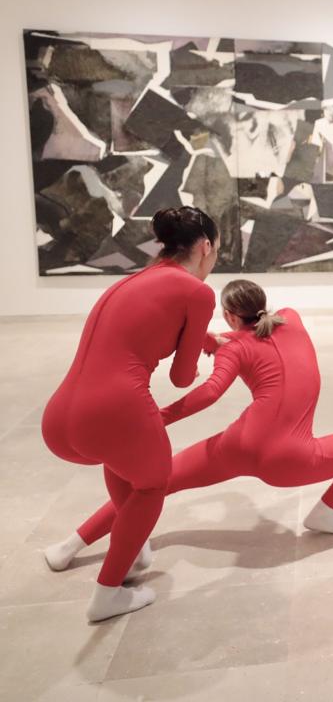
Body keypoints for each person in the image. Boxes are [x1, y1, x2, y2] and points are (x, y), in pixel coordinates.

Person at [45, 281, 333, 586]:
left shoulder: (234, 348)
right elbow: (261, 335)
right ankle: (324, 512)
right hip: (292, 458)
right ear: (263, 303)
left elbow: (211, 391)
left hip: (238, 444)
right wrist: (219, 342)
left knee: (152, 486)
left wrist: (159, 417)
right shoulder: (293, 318)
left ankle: (69, 547)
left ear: (228, 315)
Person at [41, 206, 218, 622]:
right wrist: (197, 348)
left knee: (129, 469)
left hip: (63, 416)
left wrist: (199, 334)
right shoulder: (198, 292)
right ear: (206, 246)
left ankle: (131, 548)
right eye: (216, 254)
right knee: (154, 485)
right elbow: (181, 377)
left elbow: (137, 326)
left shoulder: (134, 280)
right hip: (115, 412)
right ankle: (107, 595)